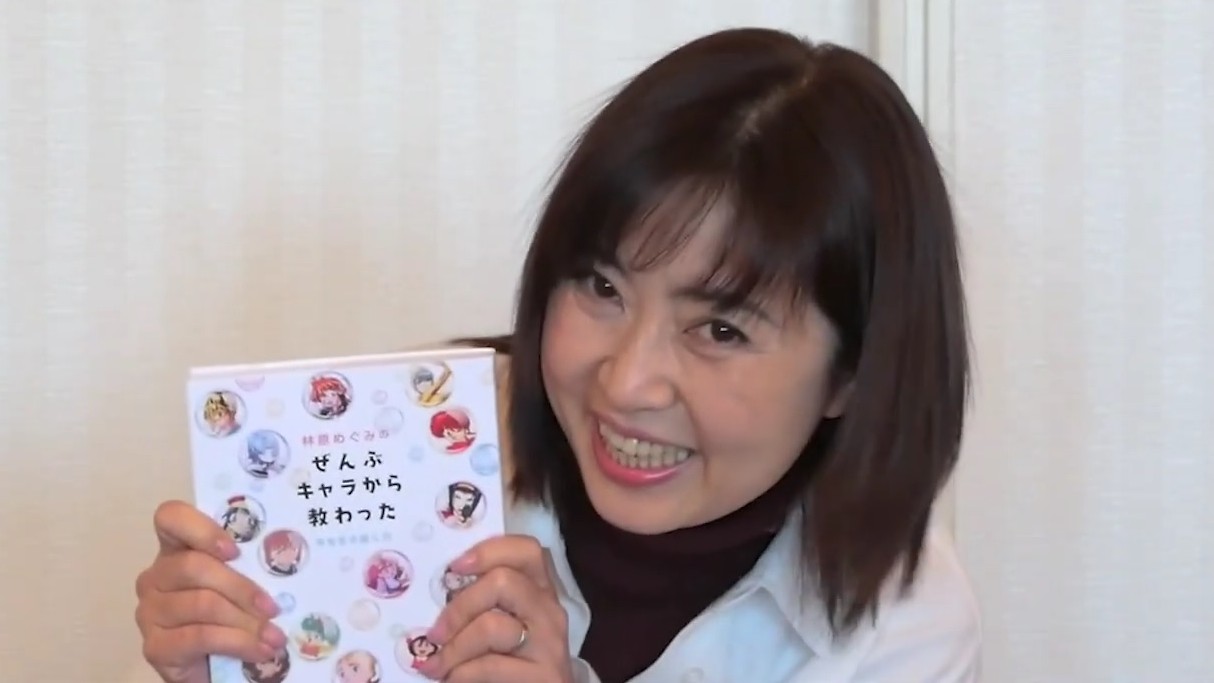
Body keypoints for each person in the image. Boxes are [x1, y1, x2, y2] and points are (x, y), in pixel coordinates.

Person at [133, 27, 981, 683]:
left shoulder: (902, 625)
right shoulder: (415, 439)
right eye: (602, 286)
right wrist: (217, 657)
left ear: (853, 371)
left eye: (721, 330)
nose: (628, 381)